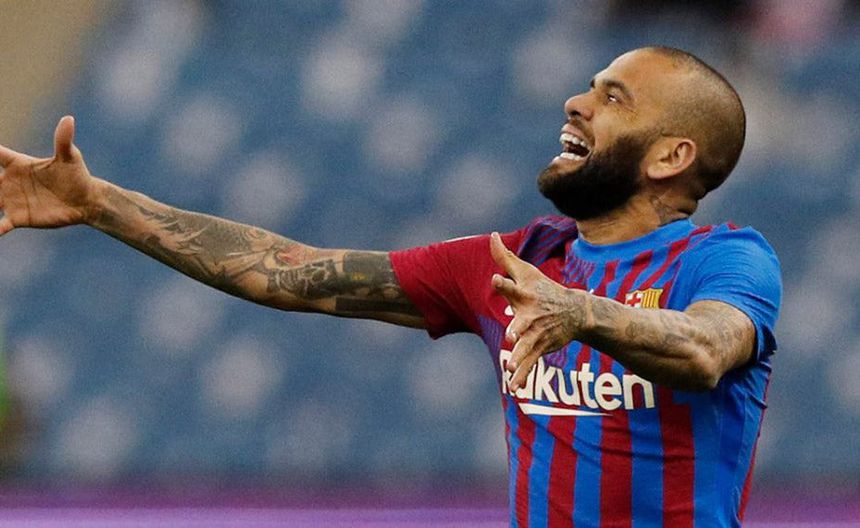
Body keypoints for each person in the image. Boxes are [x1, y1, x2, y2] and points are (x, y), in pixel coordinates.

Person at [0, 46, 781, 527]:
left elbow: (706, 348)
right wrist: (100, 205)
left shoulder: (726, 260)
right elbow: (287, 271)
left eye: (614, 98)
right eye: (590, 85)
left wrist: (580, 312)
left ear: (671, 156)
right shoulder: (512, 261)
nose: (576, 102)